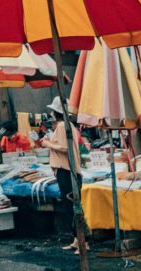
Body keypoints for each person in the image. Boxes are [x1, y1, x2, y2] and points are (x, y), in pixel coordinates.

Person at [38, 96, 84, 253]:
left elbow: (65, 147)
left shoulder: (63, 126)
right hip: (66, 171)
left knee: (73, 206)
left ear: (55, 112)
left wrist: (47, 143)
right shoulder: (65, 126)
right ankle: (77, 240)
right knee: (70, 205)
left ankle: (83, 242)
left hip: (67, 171)